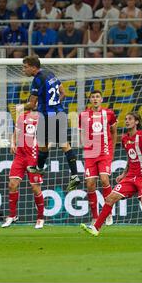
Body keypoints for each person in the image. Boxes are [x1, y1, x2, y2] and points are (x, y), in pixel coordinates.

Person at [81, 112, 142, 238]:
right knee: (110, 198)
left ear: (137, 122)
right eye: (126, 119)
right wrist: (124, 173)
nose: (127, 121)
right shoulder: (124, 138)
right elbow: (130, 158)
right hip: (130, 177)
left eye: (130, 119)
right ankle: (96, 228)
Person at [22, 55, 81, 192]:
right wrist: (55, 104)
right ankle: (74, 175)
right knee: (62, 144)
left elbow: (31, 104)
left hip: (47, 116)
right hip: (59, 112)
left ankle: (40, 168)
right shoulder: (50, 73)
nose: (23, 70)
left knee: (43, 144)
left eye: (25, 67)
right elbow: (63, 93)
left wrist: (20, 107)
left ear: (33, 67)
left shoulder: (37, 80)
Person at [1, 106, 45, 229]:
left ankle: (40, 218)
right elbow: (15, 134)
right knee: (12, 184)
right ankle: (12, 215)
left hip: (34, 156)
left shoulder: (43, 118)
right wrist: (13, 143)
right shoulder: (22, 116)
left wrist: (43, 153)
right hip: (20, 156)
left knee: (35, 188)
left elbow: (48, 139)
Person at [79, 90, 117, 225]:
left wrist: (111, 152)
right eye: (93, 97)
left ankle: (108, 213)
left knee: (104, 179)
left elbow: (113, 132)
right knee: (90, 184)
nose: (95, 99)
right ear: (90, 100)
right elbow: (82, 133)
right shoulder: (83, 115)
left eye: (97, 97)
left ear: (101, 99)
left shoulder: (109, 114)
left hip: (104, 153)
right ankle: (95, 217)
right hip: (90, 154)